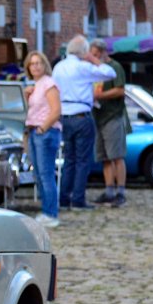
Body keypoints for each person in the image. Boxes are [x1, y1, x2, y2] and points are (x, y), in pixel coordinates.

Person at [51, 35, 115, 211]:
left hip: (64, 115)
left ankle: (64, 198)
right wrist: (93, 59)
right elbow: (110, 73)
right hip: (81, 115)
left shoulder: (59, 67)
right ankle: (78, 199)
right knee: (82, 160)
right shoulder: (82, 67)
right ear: (84, 51)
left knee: (69, 159)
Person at [23, 50, 62, 227]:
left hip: (45, 132)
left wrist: (42, 128)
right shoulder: (35, 85)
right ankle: (47, 210)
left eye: (38, 63)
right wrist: (27, 95)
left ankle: (51, 213)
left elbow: (56, 110)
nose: (35, 66)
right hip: (34, 131)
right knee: (38, 174)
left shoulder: (49, 83)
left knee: (46, 174)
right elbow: (33, 110)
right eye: (32, 64)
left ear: (44, 65)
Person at [88, 41, 130, 206]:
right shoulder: (93, 69)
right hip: (97, 116)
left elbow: (120, 90)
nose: (94, 58)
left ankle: (121, 192)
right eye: (92, 55)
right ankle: (109, 190)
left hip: (112, 116)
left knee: (116, 155)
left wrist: (100, 96)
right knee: (104, 157)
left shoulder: (115, 67)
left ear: (103, 52)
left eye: (96, 54)